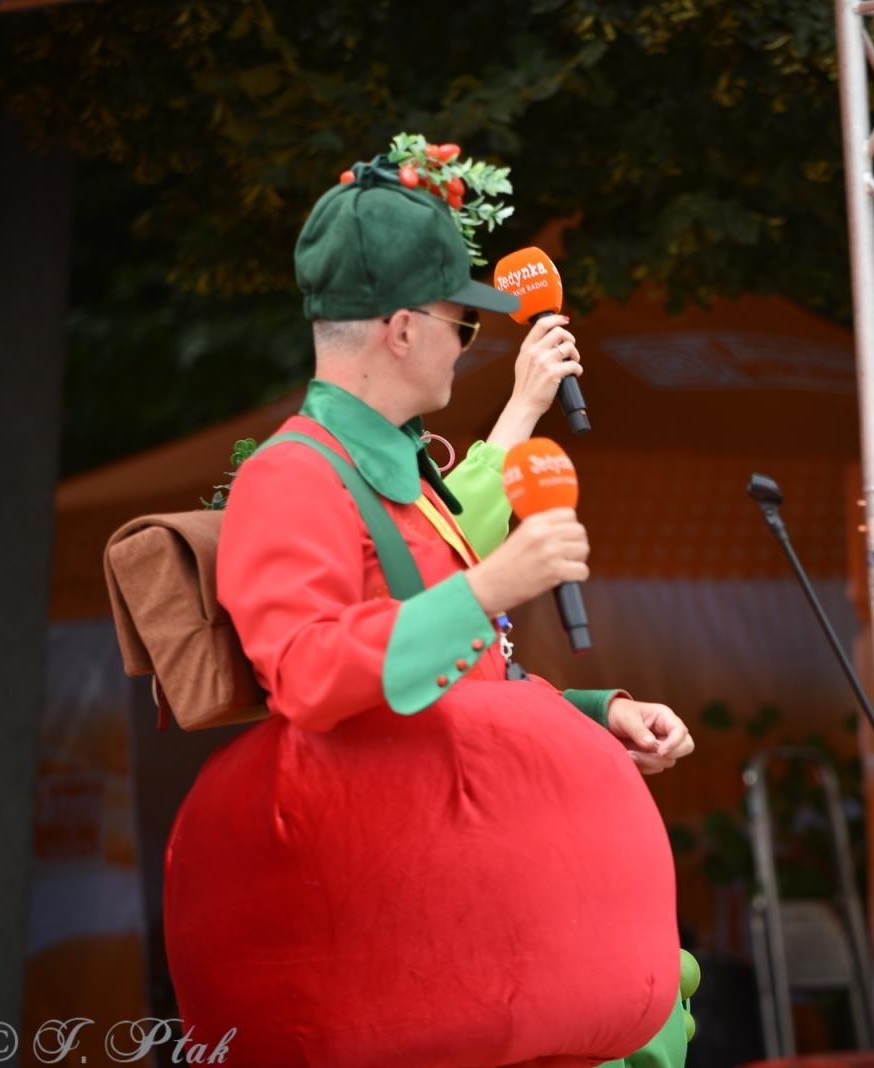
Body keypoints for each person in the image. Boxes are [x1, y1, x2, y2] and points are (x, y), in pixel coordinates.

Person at [163, 152, 691, 1067]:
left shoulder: (407, 483)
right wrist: (488, 586)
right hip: (404, 945)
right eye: (461, 323)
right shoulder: (293, 475)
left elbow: (460, 683)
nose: (467, 344)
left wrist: (596, 717)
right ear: (404, 330)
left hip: (477, 931)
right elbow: (309, 673)